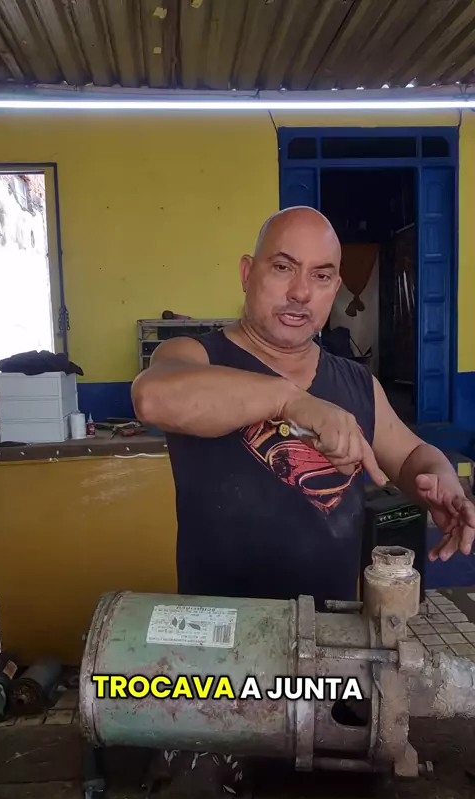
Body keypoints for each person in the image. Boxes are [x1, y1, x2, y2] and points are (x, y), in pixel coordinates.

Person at [132, 206, 475, 608]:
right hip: (221, 626)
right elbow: (152, 397)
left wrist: (439, 477)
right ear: (247, 273)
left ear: (335, 287)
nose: (301, 292)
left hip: (333, 624)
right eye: (283, 267)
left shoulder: (357, 381)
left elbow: (411, 454)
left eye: (321, 276)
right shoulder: (196, 356)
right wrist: (290, 400)